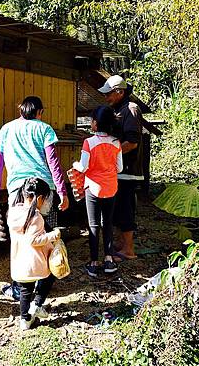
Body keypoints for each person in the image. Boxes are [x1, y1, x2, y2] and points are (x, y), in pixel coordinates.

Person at [0, 96, 69, 218]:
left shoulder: (6, 129)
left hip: (17, 187)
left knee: (19, 231)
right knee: (39, 230)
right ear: (40, 111)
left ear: (21, 110)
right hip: (43, 188)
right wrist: (62, 192)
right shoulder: (45, 129)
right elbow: (53, 162)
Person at [72, 106, 123, 277]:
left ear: (95, 123)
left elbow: (83, 166)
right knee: (107, 223)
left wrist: (75, 165)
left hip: (93, 188)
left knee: (93, 225)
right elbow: (120, 168)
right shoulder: (116, 142)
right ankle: (109, 260)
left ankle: (94, 262)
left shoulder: (89, 142)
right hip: (111, 187)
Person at [98, 75, 143, 261]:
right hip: (118, 171)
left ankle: (129, 250)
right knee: (117, 209)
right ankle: (122, 245)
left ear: (120, 92)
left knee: (125, 209)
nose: (106, 97)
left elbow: (132, 142)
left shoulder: (131, 110)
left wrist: (109, 155)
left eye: (109, 93)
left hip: (128, 172)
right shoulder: (119, 109)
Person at [8, 177, 61, 330]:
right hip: (34, 261)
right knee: (50, 275)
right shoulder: (35, 217)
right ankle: (37, 304)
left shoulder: (14, 211)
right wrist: (53, 235)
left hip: (19, 261)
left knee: (25, 290)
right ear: (39, 198)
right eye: (44, 199)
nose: (44, 202)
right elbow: (34, 240)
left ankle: (24, 320)